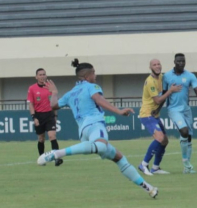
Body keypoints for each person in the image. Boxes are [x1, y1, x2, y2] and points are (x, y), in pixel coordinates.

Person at [37, 59, 158, 198]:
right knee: (100, 146)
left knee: (119, 158)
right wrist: (118, 111)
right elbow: (99, 100)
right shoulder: (91, 87)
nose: (95, 76)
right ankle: (57, 153)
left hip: (83, 132)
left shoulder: (71, 93)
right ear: (87, 76)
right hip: (95, 125)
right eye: (93, 73)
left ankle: (148, 188)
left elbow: (53, 105)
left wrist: (54, 92)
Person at [162, 53, 197, 174]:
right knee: (184, 131)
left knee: (189, 137)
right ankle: (186, 163)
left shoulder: (190, 75)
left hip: (186, 110)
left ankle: (187, 168)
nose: (181, 63)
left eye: (183, 61)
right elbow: (163, 93)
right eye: (179, 61)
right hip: (173, 109)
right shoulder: (167, 76)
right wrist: (156, 109)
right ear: (174, 62)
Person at [137, 59, 181, 176]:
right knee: (160, 138)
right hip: (147, 114)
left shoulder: (162, 77)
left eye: (158, 64)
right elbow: (157, 99)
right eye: (154, 65)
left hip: (155, 115)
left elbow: (163, 96)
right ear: (150, 67)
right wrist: (171, 91)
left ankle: (155, 168)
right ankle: (144, 164)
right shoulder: (150, 81)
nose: (157, 66)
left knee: (164, 141)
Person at [27, 68, 62, 166]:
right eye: (40, 75)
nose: (42, 76)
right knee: (41, 139)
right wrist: (34, 117)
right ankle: (42, 159)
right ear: (36, 77)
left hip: (50, 115)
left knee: (52, 136)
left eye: (44, 74)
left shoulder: (50, 87)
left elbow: (54, 102)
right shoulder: (32, 88)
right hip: (39, 116)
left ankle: (57, 159)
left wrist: (55, 115)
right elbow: (31, 104)